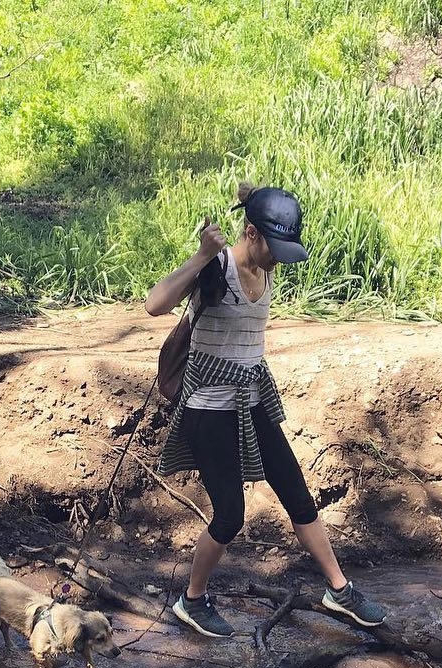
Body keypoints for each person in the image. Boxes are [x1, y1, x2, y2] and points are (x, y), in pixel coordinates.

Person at [145, 182, 388, 638]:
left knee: (298, 494)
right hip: (209, 409)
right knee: (230, 515)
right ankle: (191, 600)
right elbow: (154, 305)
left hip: (253, 401)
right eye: (272, 247)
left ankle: (339, 590)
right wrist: (199, 256)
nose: (277, 258)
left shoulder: (266, 264)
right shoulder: (216, 268)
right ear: (250, 232)